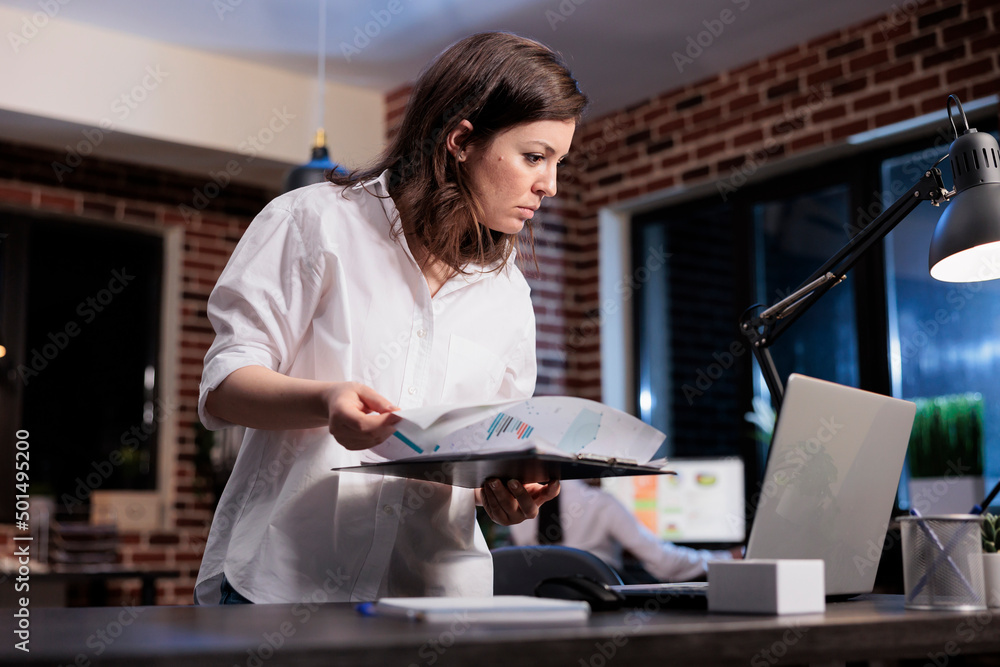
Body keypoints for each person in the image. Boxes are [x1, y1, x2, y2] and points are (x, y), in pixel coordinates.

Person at [193, 32, 587, 605]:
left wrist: (502, 490)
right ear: (460, 140)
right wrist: (325, 402)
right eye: (534, 157)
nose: (549, 185)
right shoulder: (314, 222)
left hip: (433, 600)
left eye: (558, 163)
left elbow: (473, 458)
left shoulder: (508, 294)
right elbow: (224, 388)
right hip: (282, 587)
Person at [508, 479, 742, 583]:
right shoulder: (600, 502)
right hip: (602, 614)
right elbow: (665, 563)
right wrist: (730, 557)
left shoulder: (516, 505)